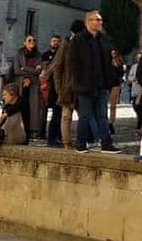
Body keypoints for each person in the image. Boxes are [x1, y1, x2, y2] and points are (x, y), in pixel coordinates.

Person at [69, 10, 121, 153]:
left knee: (102, 115)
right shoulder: (78, 40)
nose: (100, 23)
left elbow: (107, 62)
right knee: (85, 116)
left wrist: (110, 80)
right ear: (88, 22)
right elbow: (74, 64)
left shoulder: (103, 40)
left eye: (100, 20)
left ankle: (106, 143)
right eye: (96, 20)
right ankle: (80, 143)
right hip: (85, 85)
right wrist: (79, 82)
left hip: (101, 84)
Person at [46, 20, 85, 149]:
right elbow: (58, 67)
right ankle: (66, 142)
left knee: (83, 115)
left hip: (80, 86)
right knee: (66, 115)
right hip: (67, 87)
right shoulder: (66, 44)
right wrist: (59, 88)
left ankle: (80, 141)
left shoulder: (84, 43)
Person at [14, 35, 42, 143]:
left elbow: (38, 71)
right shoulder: (19, 54)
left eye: (34, 40)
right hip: (21, 83)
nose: (32, 42)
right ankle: (20, 129)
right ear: (24, 42)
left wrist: (24, 68)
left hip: (33, 84)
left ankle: (34, 131)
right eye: (29, 40)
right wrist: (32, 71)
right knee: (21, 105)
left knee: (33, 107)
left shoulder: (38, 55)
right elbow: (16, 70)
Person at [40, 35, 63, 146]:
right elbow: (45, 70)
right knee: (55, 113)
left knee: (59, 113)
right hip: (51, 88)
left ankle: (58, 136)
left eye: (58, 41)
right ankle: (50, 137)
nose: (56, 43)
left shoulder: (61, 55)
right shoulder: (46, 55)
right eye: (54, 41)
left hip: (58, 87)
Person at [108, 49, 125, 135]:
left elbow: (121, 73)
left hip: (115, 85)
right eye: (112, 52)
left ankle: (111, 122)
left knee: (113, 105)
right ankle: (104, 122)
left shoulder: (119, 62)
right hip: (107, 85)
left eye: (115, 52)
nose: (113, 54)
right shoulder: (106, 61)